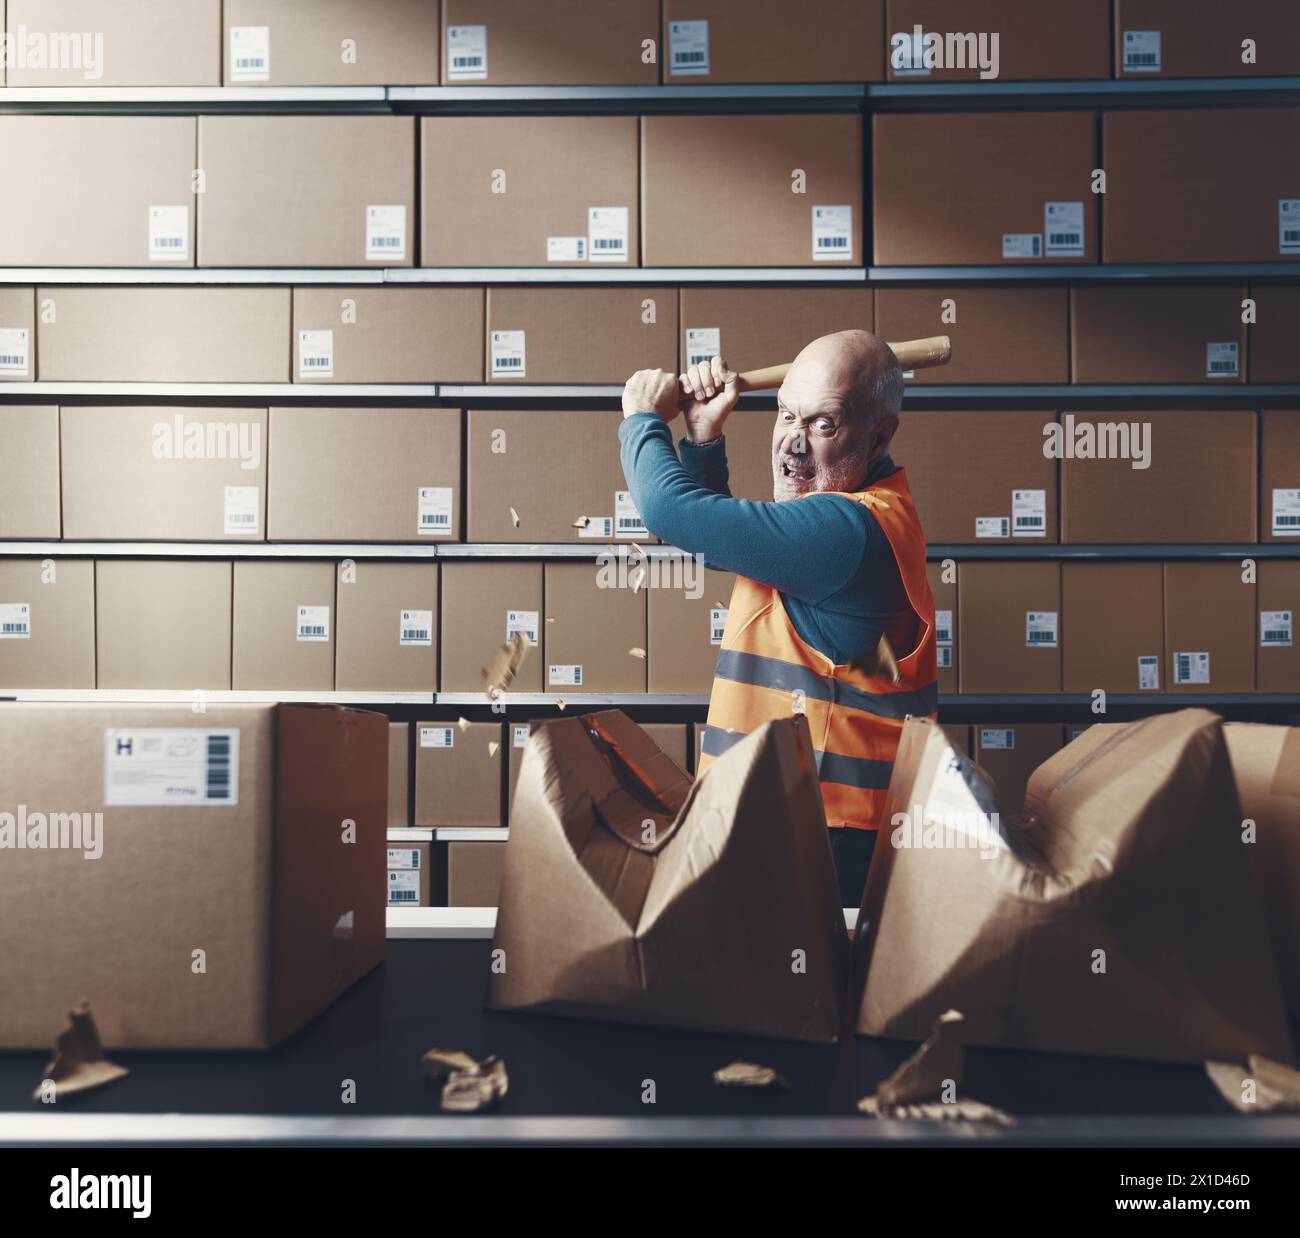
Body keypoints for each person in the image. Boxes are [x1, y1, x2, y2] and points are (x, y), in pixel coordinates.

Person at [619, 330, 938, 907]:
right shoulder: (856, 521)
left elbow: (670, 511)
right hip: (795, 829)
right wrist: (702, 437)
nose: (792, 444)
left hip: (823, 843)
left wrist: (642, 418)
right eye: (785, 414)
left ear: (880, 436)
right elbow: (721, 543)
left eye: (823, 425)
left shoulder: (848, 535)